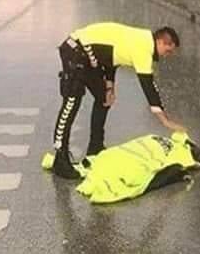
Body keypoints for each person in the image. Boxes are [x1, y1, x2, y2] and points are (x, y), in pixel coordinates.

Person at [52, 22, 185, 179]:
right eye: (167, 51)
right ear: (160, 42)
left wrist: (110, 86)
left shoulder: (140, 39)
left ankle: (95, 148)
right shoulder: (143, 48)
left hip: (88, 56)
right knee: (72, 103)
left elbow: (111, 57)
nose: (166, 55)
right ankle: (60, 160)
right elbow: (148, 87)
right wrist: (166, 121)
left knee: (104, 99)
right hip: (75, 50)